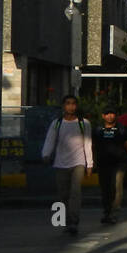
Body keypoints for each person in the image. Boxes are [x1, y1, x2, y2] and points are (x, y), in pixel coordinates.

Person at [42, 95, 93, 235]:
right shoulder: (57, 123)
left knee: (75, 193)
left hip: (79, 162)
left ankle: (74, 223)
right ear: (63, 106)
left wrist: (89, 164)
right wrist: (46, 154)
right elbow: (50, 140)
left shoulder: (84, 123)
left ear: (77, 106)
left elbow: (87, 144)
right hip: (60, 163)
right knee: (63, 194)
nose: (71, 106)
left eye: (73, 104)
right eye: (68, 103)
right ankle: (66, 222)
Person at [93, 103, 127, 224]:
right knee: (105, 189)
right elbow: (92, 147)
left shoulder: (122, 129)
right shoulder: (97, 130)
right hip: (103, 164)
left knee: (117, 188)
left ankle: (114, 213)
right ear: (103, 116)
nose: (110, 116)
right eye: (107, 114)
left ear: (116, 115)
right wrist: (92, 162)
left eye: (112, 113)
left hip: (120, 164)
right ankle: (107, 212)